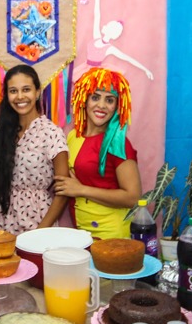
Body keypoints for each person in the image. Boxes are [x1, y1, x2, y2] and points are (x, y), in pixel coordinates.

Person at [54, 67, 142, 240]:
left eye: (109, 100)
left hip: (111, 235)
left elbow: (133, 197)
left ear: (117, 105)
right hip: (83, 233)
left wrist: (81, 190)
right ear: (84, 100)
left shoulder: (118, 143)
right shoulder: (73, 136)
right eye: (95, 97)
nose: (101, 105)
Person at [0, 65, 69, 234]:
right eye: (13, 91)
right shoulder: (1, 131)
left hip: (38, 220)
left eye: (26, 89)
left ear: (37, 92)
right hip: (5, 219)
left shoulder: (51, 132)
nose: (20, 96)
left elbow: (63, 191)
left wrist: (39, 232)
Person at [82, 0, 154, 81]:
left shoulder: (109, 48)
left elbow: (128, 58)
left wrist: (145, 69)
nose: (105, 25)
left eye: (108, 25)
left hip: (97, 76)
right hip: (85, 71)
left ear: (112, 33)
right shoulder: (97, 37)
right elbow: (97, 16)